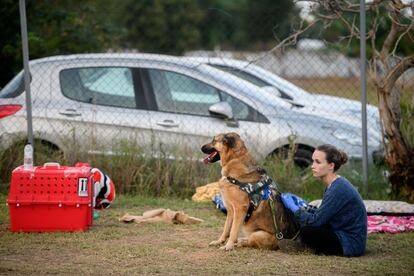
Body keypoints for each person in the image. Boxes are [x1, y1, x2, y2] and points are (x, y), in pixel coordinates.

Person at [280, 144, 367, 257]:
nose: (312, 166)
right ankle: (305, 244)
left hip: (350, 243)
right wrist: (306, 208)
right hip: (339, 232)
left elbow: (316, 222)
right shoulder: (334, 184)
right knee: (305, 223)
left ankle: (308, 247)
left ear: (331, 165)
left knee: (307, 231)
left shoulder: (338, 189)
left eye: (318, 162)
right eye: (313, 161)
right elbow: (324, 213)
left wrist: (296, 210)